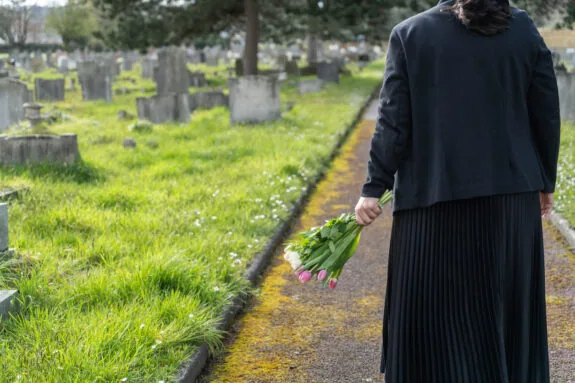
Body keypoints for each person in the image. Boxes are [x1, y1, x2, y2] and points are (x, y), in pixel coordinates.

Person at [354, 0, 561, 382]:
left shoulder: (410, 34)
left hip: (433, 198)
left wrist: (374, 186)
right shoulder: (522, 29)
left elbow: (393, 122)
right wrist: (544, 180)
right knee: (507, 317)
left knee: (434, 321)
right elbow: (546, 109)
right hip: (512, 197)